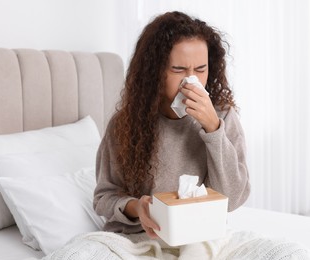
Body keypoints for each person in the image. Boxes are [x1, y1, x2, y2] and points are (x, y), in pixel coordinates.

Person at [93, 11, 250, 240]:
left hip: (198, 238)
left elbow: (231, 200)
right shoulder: (125, 124)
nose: (191, 80)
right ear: (154, 72)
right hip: (138, 238)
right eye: (178, 70)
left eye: (200, 69)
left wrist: (213, 129)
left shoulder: (223, 117)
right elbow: (104, 197)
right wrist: (139, 207)